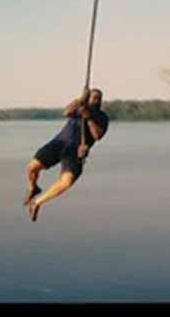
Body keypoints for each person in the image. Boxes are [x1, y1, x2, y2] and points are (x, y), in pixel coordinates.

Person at [24, 88, 109, 222]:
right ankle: (33, 187)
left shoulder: (102, 118)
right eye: (94, 97)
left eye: (99, 98)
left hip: (75, 152)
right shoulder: (80, 107)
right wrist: (80, 98)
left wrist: (89, 118)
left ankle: (37, 202)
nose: (97, 100)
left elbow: (97, 135)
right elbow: (66, 112)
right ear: (88, 98)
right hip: (60, 143)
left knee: (66, 182)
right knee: (32, 167)